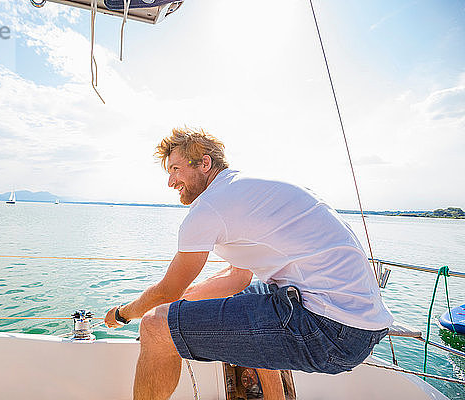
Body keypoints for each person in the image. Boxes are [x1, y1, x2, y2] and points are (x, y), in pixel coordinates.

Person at [104, 127, 393, 400]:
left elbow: (167, 292)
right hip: (362, 326)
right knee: (246, 298)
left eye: (176, 169)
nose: (170, 182)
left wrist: (122, 315)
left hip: (328, 331)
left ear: (204, 163)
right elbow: (236, 278)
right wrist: (186, 301)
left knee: (156, 326)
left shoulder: (210, 207)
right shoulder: (246, 190)